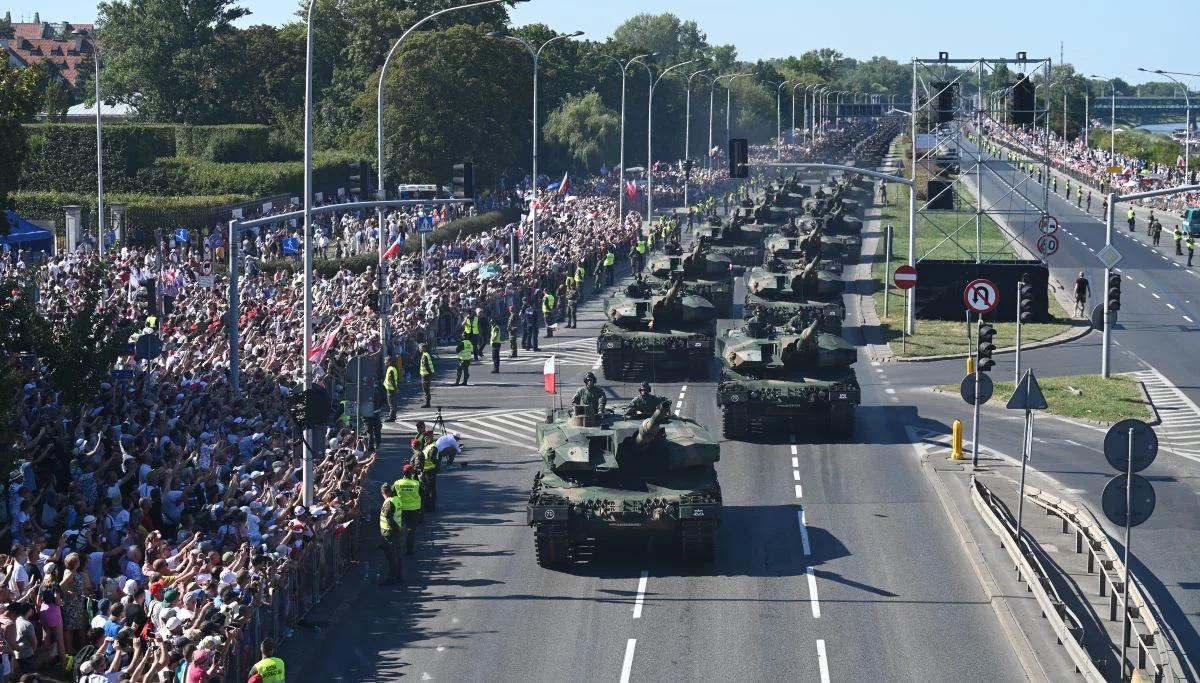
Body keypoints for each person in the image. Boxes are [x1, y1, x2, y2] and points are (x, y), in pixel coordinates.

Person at [377, 482, 403, 585]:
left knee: (391, 557)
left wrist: (396, 528)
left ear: (384, 492)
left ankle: (392, 578)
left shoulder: (388, 502)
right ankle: (398, 576)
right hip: (396, 532)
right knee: (397, 555)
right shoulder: (396, 499)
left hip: (390, 533)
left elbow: (389, 519)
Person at [394, 466, 422, 554]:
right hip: (413, 510)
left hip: (400, 509)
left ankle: (397, 547)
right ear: (411, 473)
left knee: (398, 529)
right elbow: (423, 493)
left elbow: (391, 494)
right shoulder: (416, 483)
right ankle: (409, 550)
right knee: (411, 530)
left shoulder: (397, 483)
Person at [383, 355, 400, 421]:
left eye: (385, 361)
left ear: (389, 362)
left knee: (391, 404)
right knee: (393, 403)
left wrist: (396, 388)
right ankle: (393, 416)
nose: (384, 362)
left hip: (391, 390)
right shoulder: (391, 368)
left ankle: (392, 417)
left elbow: (392, 380)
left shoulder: (391, 369)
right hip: (391, 389)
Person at [418, 342, 435, 409]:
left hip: (425, 375)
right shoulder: (426, 354)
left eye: (420, 348)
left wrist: (430, 374)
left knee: (426, 389)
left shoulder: (424, 356)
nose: (419, 349)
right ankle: (427, 403)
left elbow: (426, 365)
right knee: (427, 389)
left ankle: (427, 403)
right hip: (426, 374)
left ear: (423, 348)